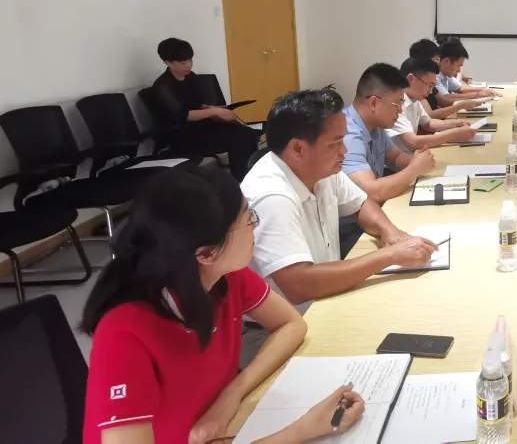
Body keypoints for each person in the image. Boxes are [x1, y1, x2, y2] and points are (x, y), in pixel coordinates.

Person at [81, 167, 365, 444]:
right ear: (207, 253)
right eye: (248, 218)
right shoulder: (124, 335)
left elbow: (292, 324)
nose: (256, 225)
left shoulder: (225, 276)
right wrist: (300, 431)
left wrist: (231, 394)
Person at [242, 88, 437, 315]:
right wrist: (389, 256)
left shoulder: (319, 167)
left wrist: (389, 231)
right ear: (297, 148)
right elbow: (299, 285)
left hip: (328, 296)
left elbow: (361, 204)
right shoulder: (271, 196)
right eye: (335, 143)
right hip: (290, 320)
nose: (344, 150)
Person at [151, 37, 260, 180]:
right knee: (239, 137)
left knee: (246, 132)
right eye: (183, 62)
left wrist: (213, 108)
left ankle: (249, 177)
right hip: (182, 134)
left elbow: (198, 104)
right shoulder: (162, 86)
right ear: (168, 62)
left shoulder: (191, 77)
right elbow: (183, 116)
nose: (189, 65)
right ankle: (240, 180)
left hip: (202, 126)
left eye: (190, 60)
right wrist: (214, 111)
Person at [343, 63, 439, 202]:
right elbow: (371, 193)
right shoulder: (347, 134)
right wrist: (415, 169)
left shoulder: (376, 125)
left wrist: (417, 160)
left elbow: (395, 157)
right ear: (373, 103)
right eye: (397, 104)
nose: (400, 111)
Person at [391, 57, 479, 151]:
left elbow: (428, 123)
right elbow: (413, 142)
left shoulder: (414, 100)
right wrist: (455, 134)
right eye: (429, 86)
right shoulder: (395, 105)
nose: (430, 92)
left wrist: (457, 124)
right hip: (403, 158)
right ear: (410, 79)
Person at [409, 38, 479, 119]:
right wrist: (461, 105)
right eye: (436, 61)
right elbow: (430, 116)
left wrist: (466, 102)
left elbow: (444, 101)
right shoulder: (417, 83)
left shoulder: (429, 79)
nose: (438, 65)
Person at [433, 38, 498, 106]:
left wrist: (484, 90)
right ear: (447, 61)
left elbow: (461, 88)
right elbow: (446, 98)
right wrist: (477, 95)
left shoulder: (446, 73)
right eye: (458, 66)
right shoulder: (434, 76)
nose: (459, 70)